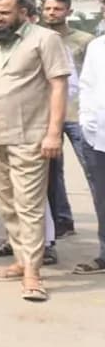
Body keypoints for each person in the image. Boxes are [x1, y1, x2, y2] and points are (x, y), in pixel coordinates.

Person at [0, 0, 70, 302]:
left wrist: (53, 133)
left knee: (29, 205)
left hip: (31, 135)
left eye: (4, 13)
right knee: (8, 203)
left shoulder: (45, 39)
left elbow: (58, 85)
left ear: (23, 12)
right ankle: (20, 259)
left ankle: (33, 273)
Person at [41, 0, 94, 238]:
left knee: (93, 169)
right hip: (49, 115)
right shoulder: (39, 38)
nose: (52, 13)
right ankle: (62, 220)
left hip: (78, 114)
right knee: (51, 172)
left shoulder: (85, 41)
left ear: (69, 12)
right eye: (48, 8)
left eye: (58, 9)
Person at [74, 33, 105, 275]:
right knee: (102, 199)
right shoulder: (96, 46)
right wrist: (86, 122)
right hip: (97, 138)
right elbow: (86, 85)